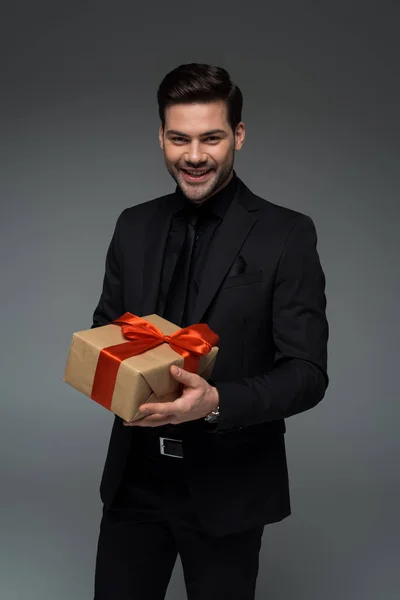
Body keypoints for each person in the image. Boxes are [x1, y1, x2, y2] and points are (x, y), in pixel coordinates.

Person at [91, 63, 329, 600]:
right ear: (161, 137)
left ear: (238, 136)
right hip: (133, 482)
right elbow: (106, 328)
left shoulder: (287, 234)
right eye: (179, 138)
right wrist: (110, 371)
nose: (194, 156)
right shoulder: (133, 224)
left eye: (211, 138)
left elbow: (308, 374)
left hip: (230, 486)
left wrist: (216, 402)